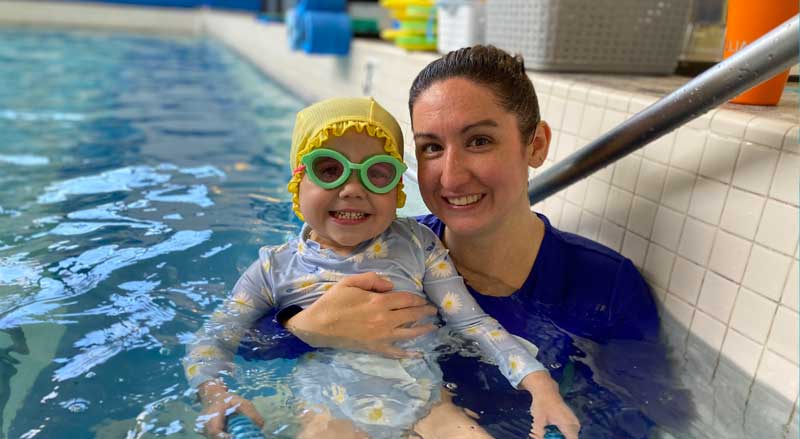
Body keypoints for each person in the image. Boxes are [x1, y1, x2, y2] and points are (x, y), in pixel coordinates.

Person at [251, 45, 667, 438]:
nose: (450, 176)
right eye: (431, 147)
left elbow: (643, 414)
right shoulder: (381, 250)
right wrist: (304, 326)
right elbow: (246, 343)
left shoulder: (604, 286)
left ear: (535, 145)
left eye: (479, 141)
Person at [184, 96, 580, 439]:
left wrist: (539, 382)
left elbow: (473, 324)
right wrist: (215, 393)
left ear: (397, 190)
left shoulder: (418, 246)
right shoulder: (273, 269)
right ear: (297, 182)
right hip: (330, 410)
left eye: (377, 172)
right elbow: (212, 339)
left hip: (429, 404)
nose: (353, 188)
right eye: (329, 169)